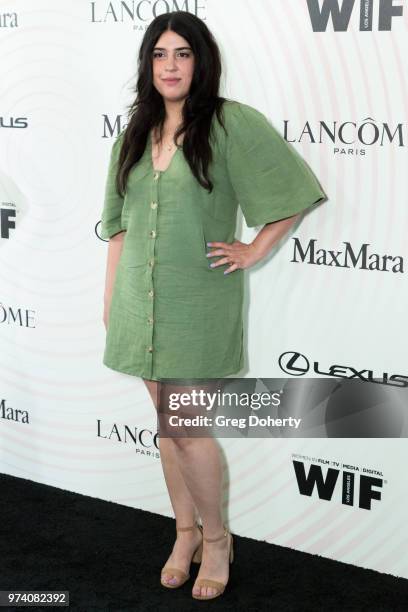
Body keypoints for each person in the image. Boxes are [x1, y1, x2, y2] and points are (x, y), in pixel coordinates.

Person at [100, 11, 327, 601]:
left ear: (201, 63)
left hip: (196, 304)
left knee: (187, 428)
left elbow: (291, 194)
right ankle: (183, 534)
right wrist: (109, 300)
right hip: (135, 304)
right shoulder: (134, 132)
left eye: (182, 54)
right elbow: (119, 228)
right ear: (147, 65)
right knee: (166, 429)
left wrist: (256, 248)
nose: (169, 66)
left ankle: (218, 539)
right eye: (159, 55)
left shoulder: (229, 124)